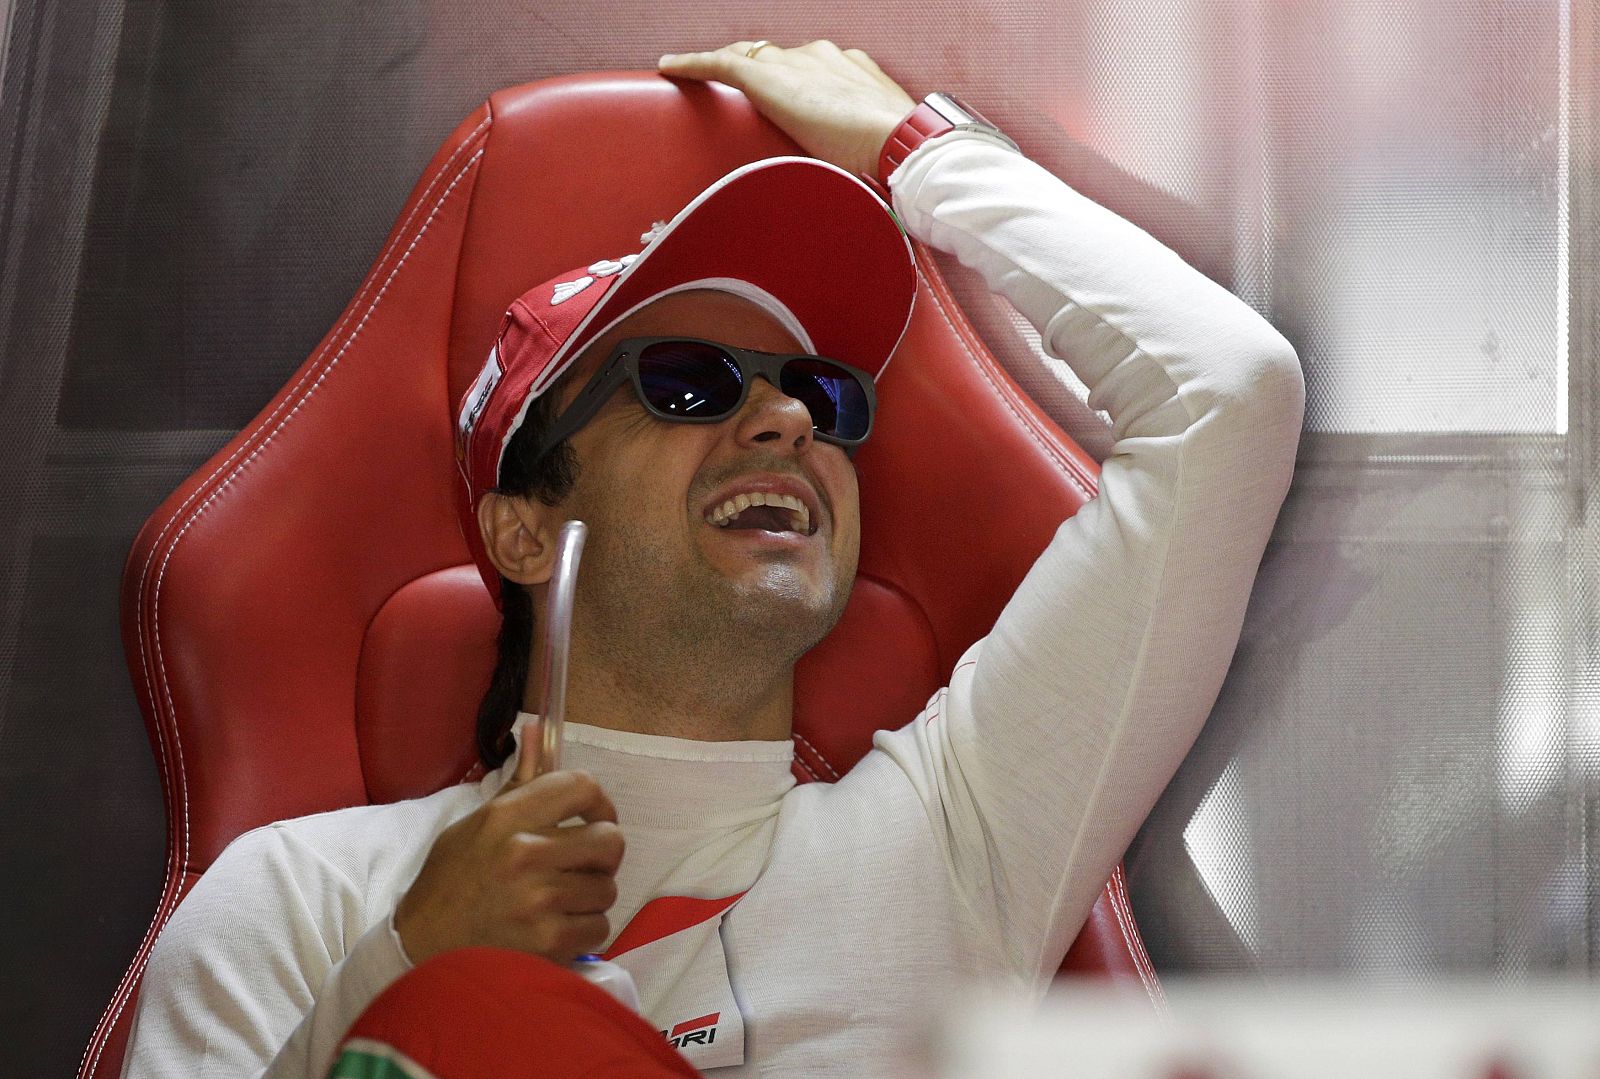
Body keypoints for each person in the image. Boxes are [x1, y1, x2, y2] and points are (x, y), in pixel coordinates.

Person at [119, 38, 1306, 1079]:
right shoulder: (294, 900)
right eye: (686, 385)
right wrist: (404, 966)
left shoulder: (954, 840)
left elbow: (1225, 394)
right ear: (524, 529)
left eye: (823, 396)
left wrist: (916, 150)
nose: (786, 420)